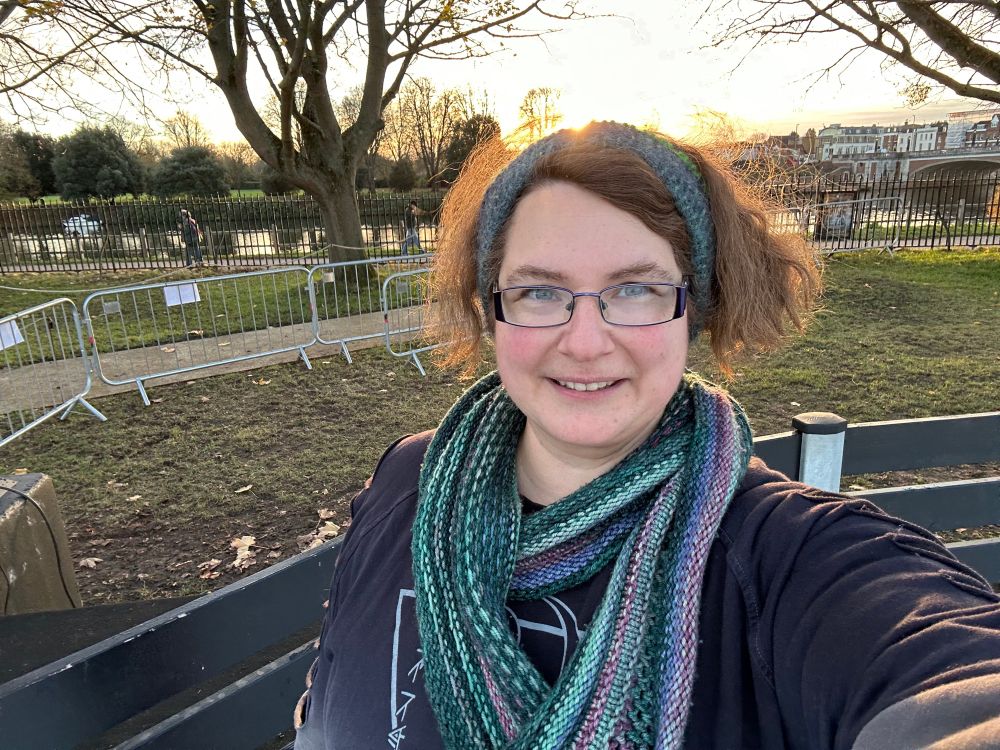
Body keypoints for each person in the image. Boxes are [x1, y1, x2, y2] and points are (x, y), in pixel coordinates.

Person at [291, 122, 1000, 749]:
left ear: (693, 308)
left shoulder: (789, 560)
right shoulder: (407, 479)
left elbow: (951, 674)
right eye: (539, 291)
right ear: (491, 310)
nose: (586, 341)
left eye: (636, 290)